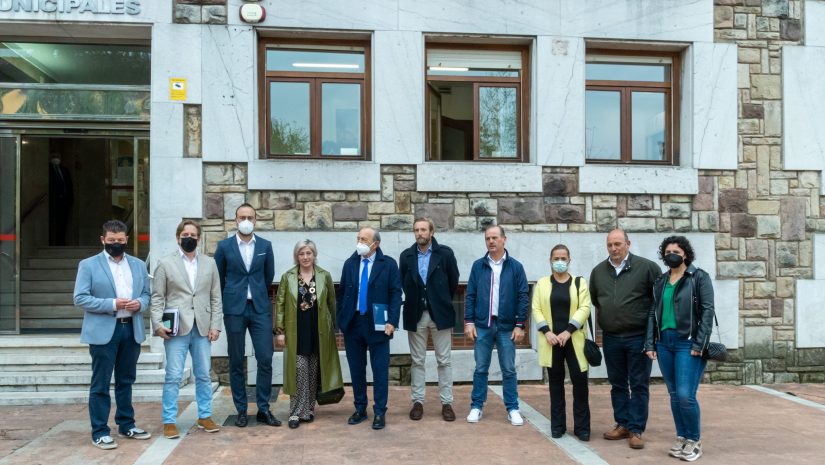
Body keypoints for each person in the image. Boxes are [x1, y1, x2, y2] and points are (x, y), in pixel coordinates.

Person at [73, 220, 151, 450]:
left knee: (126, 380)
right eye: (111, 240)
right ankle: (99, 431)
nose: (116, 244)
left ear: (126, 239)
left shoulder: (137, 265)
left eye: (120, 240)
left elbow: (147, 294)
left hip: (131, 329)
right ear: (102, 240)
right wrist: (113, 303)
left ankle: (126, 424)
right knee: (101, 383)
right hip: (104, 331)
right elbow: (80, 298)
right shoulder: (88, 265)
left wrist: (140, 303)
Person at [589, 228, 660, 449]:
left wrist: (653, 337)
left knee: (639, 384)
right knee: (617, 383)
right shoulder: (598, 272)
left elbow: (658, 302)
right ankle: (622, 424)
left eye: (618, 244)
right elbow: (597, 301)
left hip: (638, 337)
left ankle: (636, 429)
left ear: (628, 244)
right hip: (611, 338)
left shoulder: (647, 268)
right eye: (610, 245)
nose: (614, 249)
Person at [645, 236, 714, 462]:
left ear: (685, 253)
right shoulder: (661, 281)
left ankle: (695, 440)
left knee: (686, 395)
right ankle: (682, 436)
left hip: (688, 342)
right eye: (667, 251)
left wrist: (700, 343)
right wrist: (650, 343)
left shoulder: (698, 277)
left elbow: (707, 311)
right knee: (674, 395)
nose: (671, 254)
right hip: (664, 342)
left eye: (675, 250)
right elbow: (652, 314)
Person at [151, 220, 223, 439]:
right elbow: (157, 297)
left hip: (202, 328)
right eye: (185, 234)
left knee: (203, 375)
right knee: (173, 375)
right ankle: (169, 421)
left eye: (193, 234)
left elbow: (216, 297)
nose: (189, 238)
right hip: (176, 328)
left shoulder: (210, 263)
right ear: (178, 237)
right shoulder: (165, 263)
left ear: (199, 238)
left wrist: (216, 326)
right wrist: (157, 324)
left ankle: (205, 415)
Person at [214, 203, 279, 427]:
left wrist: (257, 294)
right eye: (242, 217)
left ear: (255, 219)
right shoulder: (223, 247)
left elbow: (268, 276)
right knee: (236, 360)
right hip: (234, 309)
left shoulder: (265, 245)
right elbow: (218, 279)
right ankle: (241, 409)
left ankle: (263, 408)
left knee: (265, 358)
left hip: (259, 308)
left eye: (250, 217)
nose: (246, 221)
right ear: (235, 220)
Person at [337, 227, 402, 430]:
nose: (360, 242)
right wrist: (342, 320)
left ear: (376, 244)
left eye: (364, 239)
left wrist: (392, 321)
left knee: (380, 370)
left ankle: (380, 412)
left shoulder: (388, 264)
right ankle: (360, 408)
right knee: (357, 370)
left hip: (378, 324)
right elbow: (342, 293)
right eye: (358, 238)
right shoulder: (350, 263)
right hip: (354, 323)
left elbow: (395, 294)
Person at [275, 240, 344, 429]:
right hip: (296, 331)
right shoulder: (287, 276)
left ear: (314, 255)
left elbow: (331, 303)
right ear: (296, 256)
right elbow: (280, 304)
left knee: (314, 371)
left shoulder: (324, 276)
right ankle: (295, 413)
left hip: (319, 331)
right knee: (299, 371)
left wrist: (335, 329)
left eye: (308, 253)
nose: (305, 257)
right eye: (301, 254)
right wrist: (279, 331)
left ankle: (309, 410)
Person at [464, 225, 529, 426]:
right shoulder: (478, 266)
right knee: (481, 367)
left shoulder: (515, 267)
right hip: (483, 325)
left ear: (504, 240)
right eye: (487, 238)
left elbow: (523, 296)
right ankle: (476, 406)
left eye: (494, 238)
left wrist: (520, 325)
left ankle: (512, 408)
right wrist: (468, 322)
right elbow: (470, 295)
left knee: (508, 369)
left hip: (507, 326)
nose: (491, 241)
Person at [399, 218, 459, 422]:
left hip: (440, 313)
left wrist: (439, 300)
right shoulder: (406, 256)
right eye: (416, 230)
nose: (419, 233)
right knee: (417, 361)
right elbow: (404, 283)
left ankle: (447, 402)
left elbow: (453, 280)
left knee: (444, 360)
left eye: (423, 229)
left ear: (431, 231)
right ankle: (418, 401)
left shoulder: (445, 254)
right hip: (416, 314)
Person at [531, 244, 592, 441]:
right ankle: (558, 426)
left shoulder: (579, 283)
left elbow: (584, 307)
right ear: (550, 261)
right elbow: (536, 309)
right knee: (555, 385)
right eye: (556, 258)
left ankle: (582, 428)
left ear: (569, 260)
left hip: (573, 341)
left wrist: (568, 331)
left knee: (580, 383)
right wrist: (547, 332)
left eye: (563, 258)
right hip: (551, 342)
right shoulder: (542, 283)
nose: (559, 262)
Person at [49, 151, 73, 246]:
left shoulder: (64, 170)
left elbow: (69, 185)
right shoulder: (48, 170)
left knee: (63, 223)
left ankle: (61, 242)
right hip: (53, 201)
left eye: (58, 156)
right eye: (54, 156)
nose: (56, 159)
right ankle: (51, 242)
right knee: (51, 223)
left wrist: (70, 199)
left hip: (64, 202)